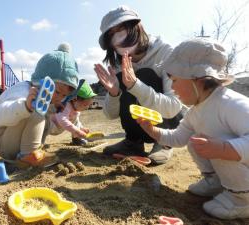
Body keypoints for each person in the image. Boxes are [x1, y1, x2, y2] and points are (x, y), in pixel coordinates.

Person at [137, 38, 249, 219]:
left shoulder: (230, 104)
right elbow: (178, 138)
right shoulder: (196, 111)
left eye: (174, 80)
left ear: (197, 79)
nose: (172, 87)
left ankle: (241, 200)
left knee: (220, 148)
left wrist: (222, 149)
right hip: (237, 171)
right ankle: (215, 182)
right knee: (195, 140)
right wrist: (152, 130)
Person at [94, 5, 183, 164]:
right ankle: (133, 142)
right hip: (139, 125)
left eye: (122, 28)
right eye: (112, 34)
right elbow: (110, 115)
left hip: (168, 121)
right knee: (122, 79)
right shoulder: (117, 64)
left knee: (144, 74)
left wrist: (136, 85)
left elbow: (174, 107)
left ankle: (163, 142)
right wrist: (114, 93)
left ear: (137, 27)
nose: (119, 37)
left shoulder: (165, 53)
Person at [0, 43, 79, 166]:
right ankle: (29, 155)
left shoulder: (47, 102)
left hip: (19, 146)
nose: (59, 98)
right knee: (36, 111)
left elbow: (51, 130)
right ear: (42, 81)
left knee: (41, 114)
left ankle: (29, 155)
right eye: (57, 91)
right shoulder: (23, 91)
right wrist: (24, 106)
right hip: (4, 142)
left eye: (64, 96)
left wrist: (66, 119)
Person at [49, 81, 97, 146]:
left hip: (59, 128)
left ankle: (76, 139)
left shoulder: (76, 110)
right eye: (85, 105)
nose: (87, 107)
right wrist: (77, 131)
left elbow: (76, 122)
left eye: (89, 105)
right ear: (74, 99)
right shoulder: (66, 106)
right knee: (42, 125)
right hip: (51, 126)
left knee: (75, 120)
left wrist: (81, 128)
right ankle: (37, 141)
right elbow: (62, 119)